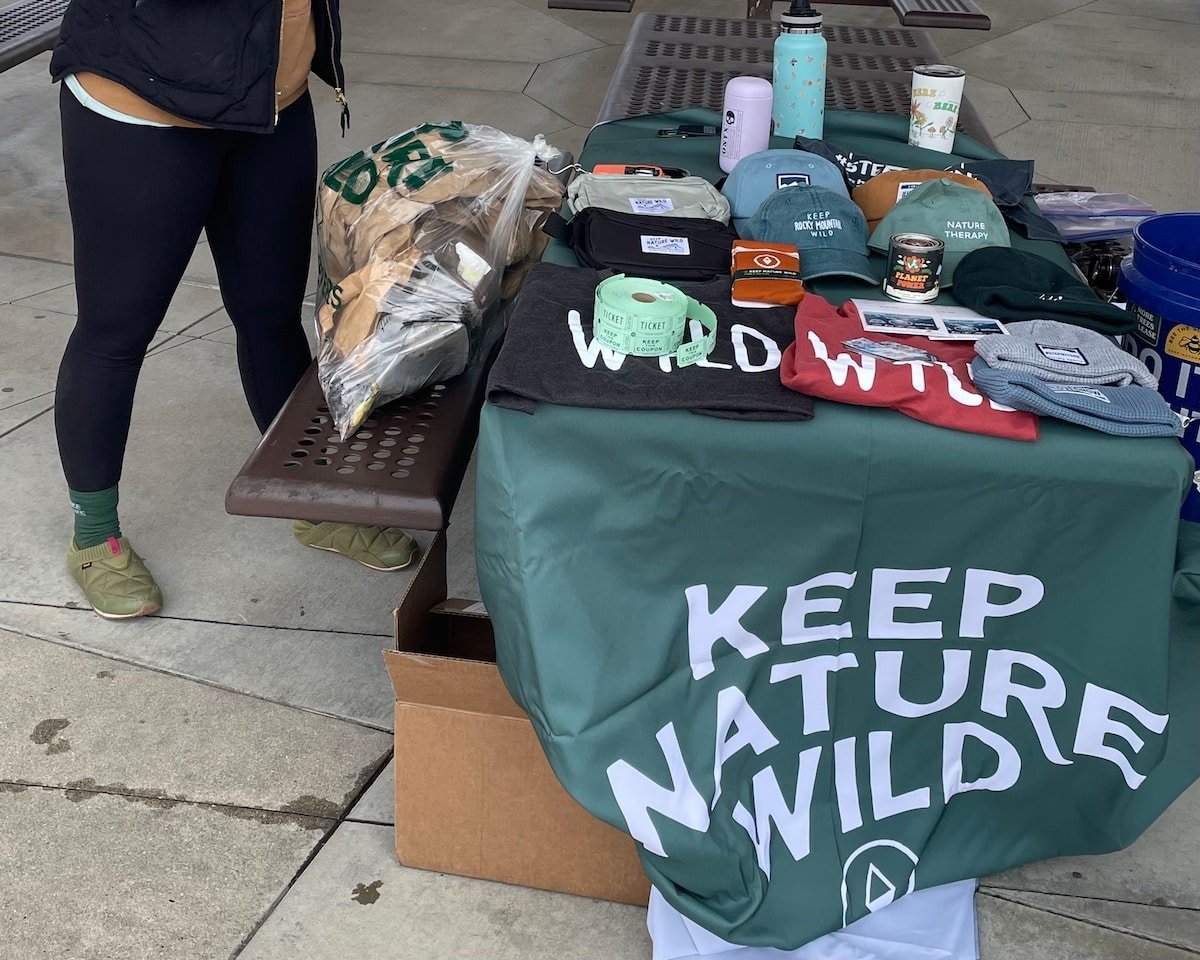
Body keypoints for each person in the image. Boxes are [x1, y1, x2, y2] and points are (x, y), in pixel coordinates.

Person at [48, 0, 420, 621]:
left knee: (271, 313)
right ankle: (95, 535)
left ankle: (310, 500)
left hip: (270, 97)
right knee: (116, 329)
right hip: (143, 103)